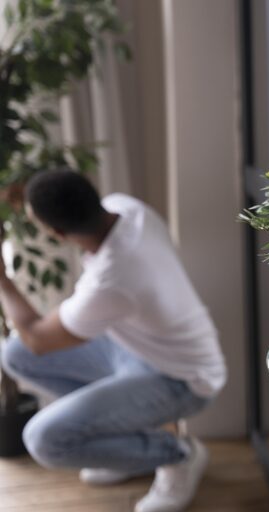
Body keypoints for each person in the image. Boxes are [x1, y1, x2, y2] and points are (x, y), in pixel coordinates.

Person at [0, 169, 227, 512]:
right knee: (15, 355)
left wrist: (2, 278)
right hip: (140, 349)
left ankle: (177, 454)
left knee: (45, 440)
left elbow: (37, 338)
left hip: (183, 379)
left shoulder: (113, 278)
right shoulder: (126, 208)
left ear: (58, 233)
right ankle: (122, 444)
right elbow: (30, 347)